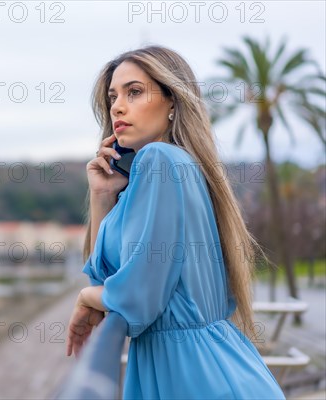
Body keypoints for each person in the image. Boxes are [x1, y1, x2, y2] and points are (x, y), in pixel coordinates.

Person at [65, 45, 286, 399]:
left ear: (172, 101)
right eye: (113, 96)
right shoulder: (169, 170)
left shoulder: (159, 160)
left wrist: (85, 297)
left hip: (193, 374)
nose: (118, 106)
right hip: (199, 367)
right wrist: (102, 196)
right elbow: (109, 282)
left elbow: (134, 298)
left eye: (134, 92)